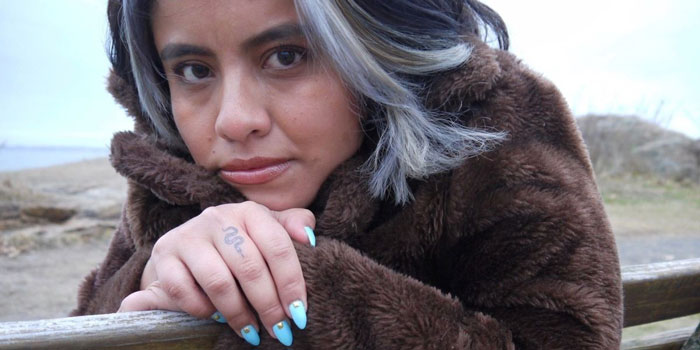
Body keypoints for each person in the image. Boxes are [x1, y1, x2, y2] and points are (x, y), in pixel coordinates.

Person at [72, 0, 623, 348]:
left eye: (286, 56)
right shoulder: (173, 165)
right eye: (193, 71)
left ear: (374, 47)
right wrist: (155, 276)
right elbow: (82, 323)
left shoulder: (498, 135)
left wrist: (299, 285)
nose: (235, 120)